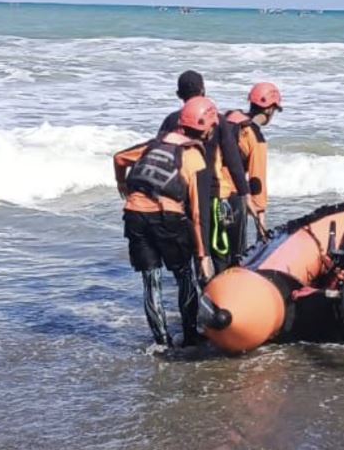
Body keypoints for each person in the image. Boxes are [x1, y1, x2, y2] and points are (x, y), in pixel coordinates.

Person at [114, 96, 219, 347]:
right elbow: (197, 213)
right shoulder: (194, 157)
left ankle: (162, 343)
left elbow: (119, 158)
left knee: (151, 280)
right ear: (207, 127)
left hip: (134, 214)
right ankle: (191, 336)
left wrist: (122, 183)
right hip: (167, 219)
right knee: (184, 275)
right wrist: (203, 255)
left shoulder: (153, 145)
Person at [157, 70, 251, 267]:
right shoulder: (217, 120)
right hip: (214, 195)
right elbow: (233, 160)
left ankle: (198, 283)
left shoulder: (171, 121)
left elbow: (160, 157)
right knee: (220, 251)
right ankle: (220, 283)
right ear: (203, 90)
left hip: (183, 197)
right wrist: (245, 194)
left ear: (179, 94)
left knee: (195, 251)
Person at [221, 81, 283, 245]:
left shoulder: (230, 117)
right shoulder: (256, 138)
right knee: (235, 252)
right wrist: (261, 224)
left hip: (208, 191)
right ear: (269, 110)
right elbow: (257, 182)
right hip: (232, 197)